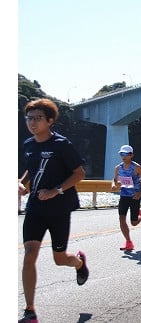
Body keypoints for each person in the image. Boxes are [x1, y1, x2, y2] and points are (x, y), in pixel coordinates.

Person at [18, 98, 89, 323]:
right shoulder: (29, 144)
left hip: (59, 208)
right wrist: (21, 183)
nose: (32, 122)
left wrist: (56, 190)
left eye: (37, 118)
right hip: (35, 209)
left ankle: (79, 263)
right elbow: (31, 170)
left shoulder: (61, 145)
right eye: (29, 118)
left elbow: (79, 174)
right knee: (29, 256)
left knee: (59, 259)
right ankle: (30, 309)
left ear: (50, 121)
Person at [111, 144, 141, 251]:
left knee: (133, 222)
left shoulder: (137, 167)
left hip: (134, 197)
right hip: (123, 196)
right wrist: (113, 185)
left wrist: (140, 192)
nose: (123, 156)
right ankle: (128, 242)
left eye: (125, 154)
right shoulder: (118, 168)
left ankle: (140, 217)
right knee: (121, 219)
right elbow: (114, 179)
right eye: (121, 154)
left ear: (131, 155)